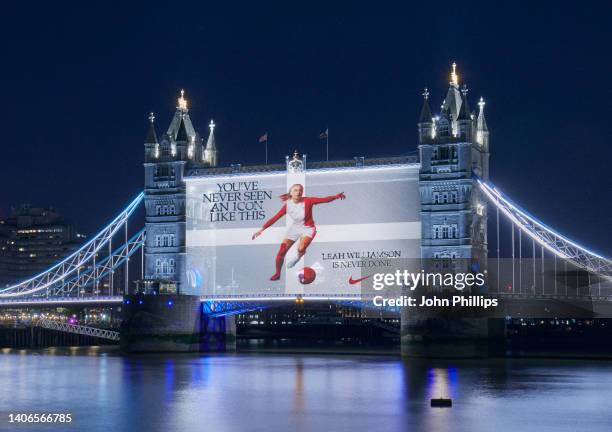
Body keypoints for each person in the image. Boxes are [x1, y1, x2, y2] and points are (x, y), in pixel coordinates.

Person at [252, 184, 345, 280]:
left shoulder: (308, 200)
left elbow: (324, 200)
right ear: (291, 192)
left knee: (301, 248)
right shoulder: (287, 205)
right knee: (282, 251)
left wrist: (336, 196)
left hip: (308, 229)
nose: (298, 192)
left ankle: (297, 258)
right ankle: (277, 273)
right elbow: (275, 218)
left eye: (300, 190)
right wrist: (262, 229)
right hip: (295, 228)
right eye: (295, 190)